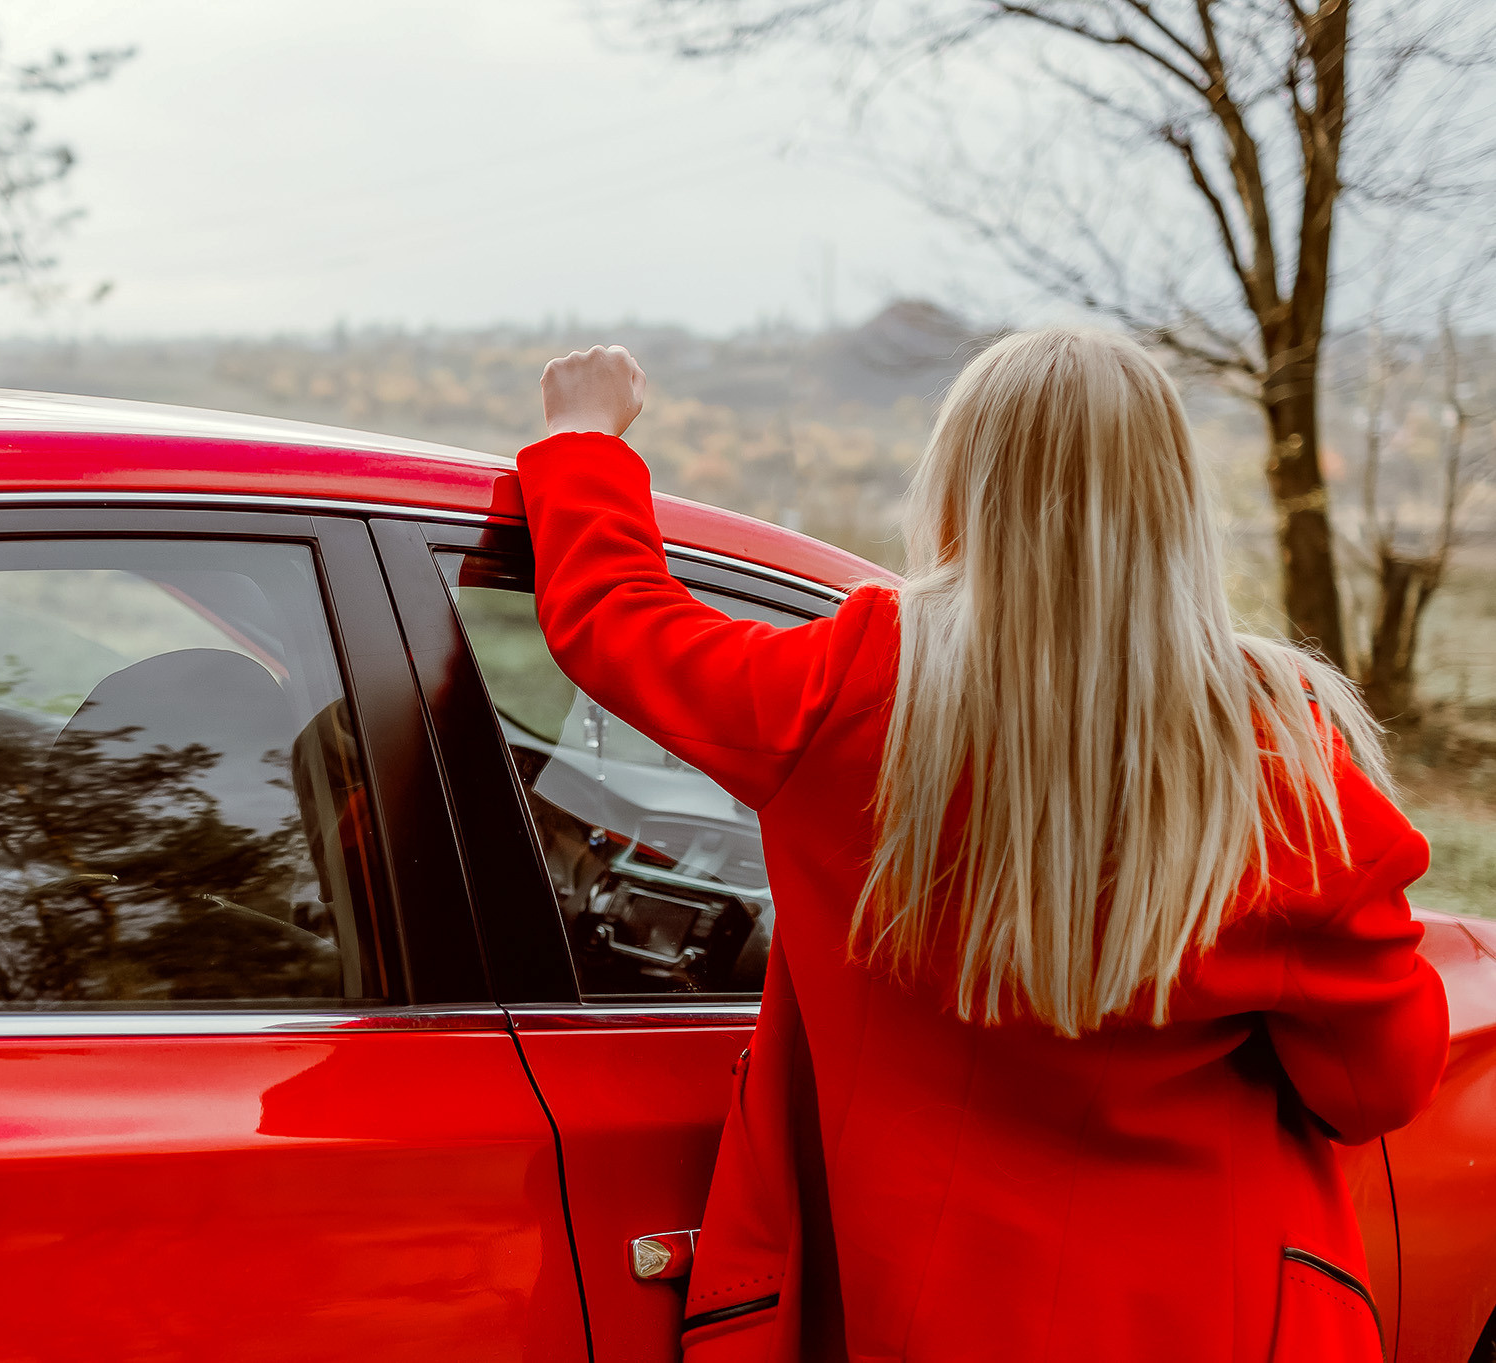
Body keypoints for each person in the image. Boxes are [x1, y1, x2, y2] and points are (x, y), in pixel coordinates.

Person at [517, 332, 1450, 1363]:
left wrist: (581, 441)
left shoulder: (854, 687)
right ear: (1173, 510)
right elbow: (1375, 1086)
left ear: (961, 486)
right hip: (1199, 1320)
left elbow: (619, 624)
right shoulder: (1282, 766)